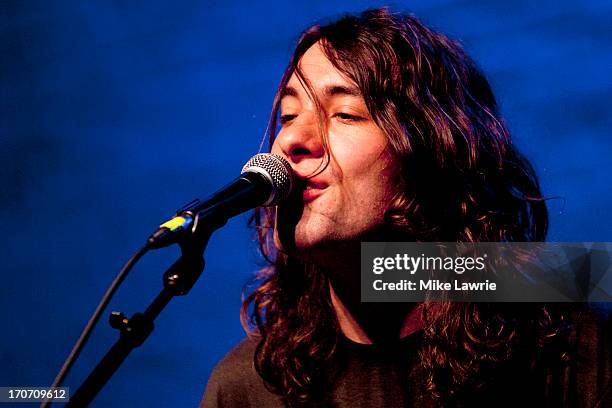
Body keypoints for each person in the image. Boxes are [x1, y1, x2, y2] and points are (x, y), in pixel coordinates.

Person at [201, 8, 610, 407]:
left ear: (431, 153)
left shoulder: (570, 347)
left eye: (345, 114)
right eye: (289, 116)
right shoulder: (249, 386)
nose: (291, 140)